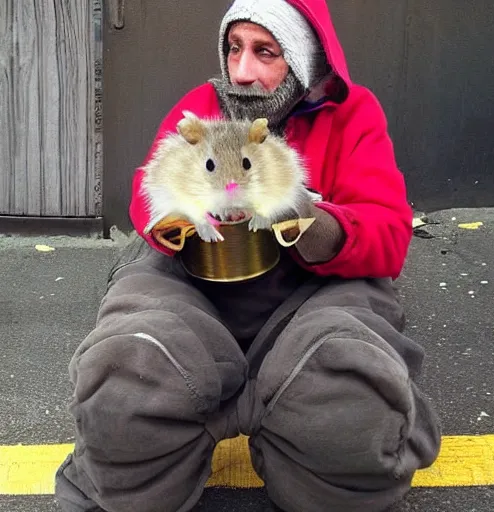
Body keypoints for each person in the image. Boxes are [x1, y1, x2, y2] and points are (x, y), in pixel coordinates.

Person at [55, 0, 441, 511]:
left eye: (265, 52)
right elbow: (146, 190)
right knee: (129, 371)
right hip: (194, 285)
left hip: (313, 291)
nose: (241, 71)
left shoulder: (353, 114)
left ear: (302, 58)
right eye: (234, 48)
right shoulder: (203, 104)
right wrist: (179, 219)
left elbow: (389, 234)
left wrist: (308, 218)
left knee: (348, 400)